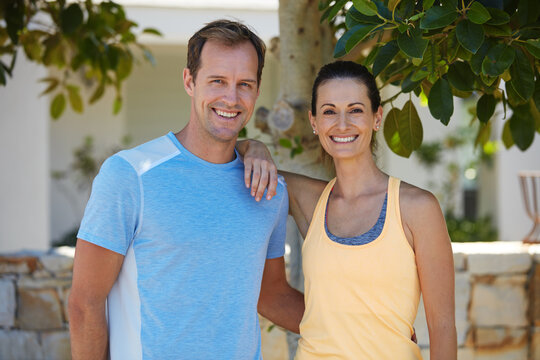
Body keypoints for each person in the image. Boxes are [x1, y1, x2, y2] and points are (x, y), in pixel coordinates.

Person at [68, 19, 304, 360]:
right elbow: (84, 303)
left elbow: (271, 294)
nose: (231, 98)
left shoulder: (267, 188)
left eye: (245, 84)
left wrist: (359, 327)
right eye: (218, 81)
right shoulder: (130, 176)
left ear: (256, 89)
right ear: (189, 81)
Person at [240, 61, 457, 359]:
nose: (342, 124)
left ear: (376, 117)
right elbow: (230, 162)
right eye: (329, 111)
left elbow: (443, 326)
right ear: (314, 122)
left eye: (355, 109)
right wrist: (254, 146)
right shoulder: (309, 200)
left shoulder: (417, 208)